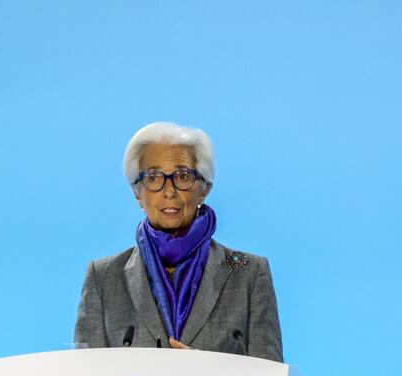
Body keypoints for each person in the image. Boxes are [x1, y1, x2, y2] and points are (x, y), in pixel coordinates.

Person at [73, 122, 283, 362]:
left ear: (203, 189)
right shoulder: (102, 278)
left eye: (183, 176)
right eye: (153, 178)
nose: (169, 191)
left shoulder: (249, 272)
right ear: (137, 192)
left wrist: (206, 372)